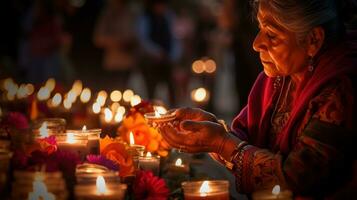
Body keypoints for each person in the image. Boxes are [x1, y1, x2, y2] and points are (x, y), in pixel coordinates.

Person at [160, 0, 357, 198]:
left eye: (271, 34)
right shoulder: (277, 78)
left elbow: (296, 178)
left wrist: (221, 143)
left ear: (313, 39)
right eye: (259, 28)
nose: (256, 44)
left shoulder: (341, 89)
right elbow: (242, 143)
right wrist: (209, 128)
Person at [136, 0, 181, 106]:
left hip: (167, 60)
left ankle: (174, 110)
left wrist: (173, 55)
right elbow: (143, 39)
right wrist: (156, 52)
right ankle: (151, 110)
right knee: (151, 88)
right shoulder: (146, 18)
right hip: (151, 61)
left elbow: (174, 37)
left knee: (171, 87)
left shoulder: (168, 17)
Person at [93, 0, 137, 91]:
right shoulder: (108, 14)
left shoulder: (131, 13)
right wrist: (116, 41)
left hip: (127, 62)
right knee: (111, 91)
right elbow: (98, 37)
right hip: (111, 62)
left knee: (125, 92)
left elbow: (136, 35)